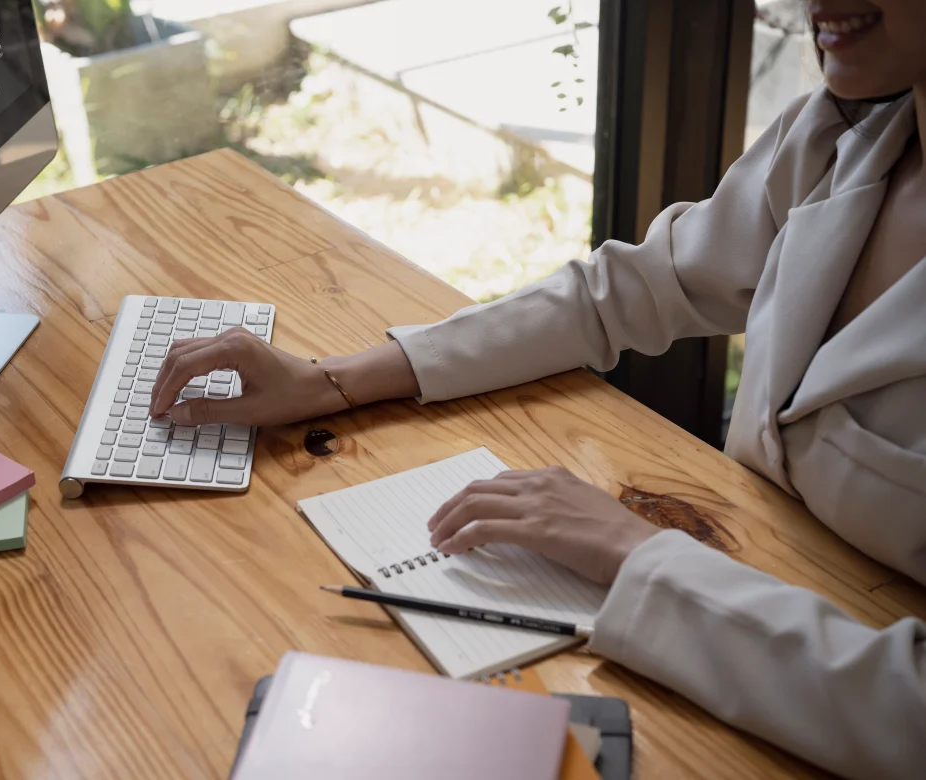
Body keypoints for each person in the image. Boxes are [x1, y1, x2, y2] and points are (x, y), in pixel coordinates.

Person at [151, 1, 926, 776]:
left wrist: (635, 552)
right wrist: (330, 382)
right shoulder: (841, 139)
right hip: (725, 635)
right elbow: (622, 292)